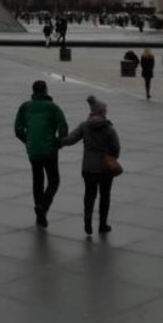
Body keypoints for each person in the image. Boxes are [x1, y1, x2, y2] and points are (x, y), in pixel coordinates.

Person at [59, 95, 121, 236]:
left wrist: (59, 142)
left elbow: (71, 139)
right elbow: (116, 147)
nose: (106, 112)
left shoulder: (84, 126)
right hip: (105, 168)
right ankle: (102, 224)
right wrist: (113, 158)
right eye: (105, 110)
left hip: (88, 168)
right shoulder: (108, 128)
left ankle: (87, 219)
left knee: (89, 194)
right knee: (105, 195)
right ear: (100, 112)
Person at [14, 80, 68, 228]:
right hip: (49, 150)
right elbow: (63, 127)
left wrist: (28, 141)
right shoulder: (53, 107)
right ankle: (43, 207)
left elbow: (18, 129)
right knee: (54, 180)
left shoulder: (25, 107)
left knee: (37, 180)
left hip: (33, 151)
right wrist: (58, 142)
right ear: (45, 91)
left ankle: (39, 212)